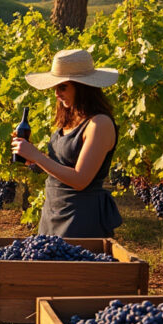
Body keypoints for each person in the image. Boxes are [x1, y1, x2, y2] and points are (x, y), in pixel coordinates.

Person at [12, 49, 122, 238]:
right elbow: (61, 166)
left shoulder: (99, 124)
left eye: (63, 87)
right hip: (53, 213)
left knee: (72, 267)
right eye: (55, 87)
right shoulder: (71, 119)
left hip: (81, 219)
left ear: (82, 87)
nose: (56, 93)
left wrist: (37, 156)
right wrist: (33, 159)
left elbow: (80, 180)